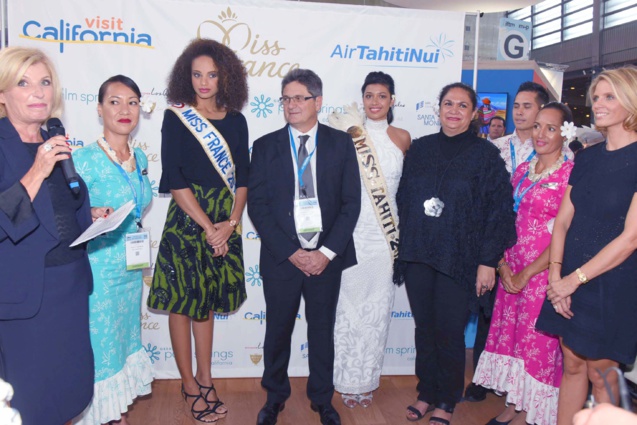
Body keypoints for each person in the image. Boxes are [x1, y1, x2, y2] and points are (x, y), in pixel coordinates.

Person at [396, 82, 516, 425]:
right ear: (438, 108)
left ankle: (446, 400)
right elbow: (405, 199)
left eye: (462, 106)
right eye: (448, 103)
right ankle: (426, 392)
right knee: (425, 330)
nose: (453, 111)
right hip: (419, 253)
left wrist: (486, 261)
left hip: (460, 259)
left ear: (474, 113)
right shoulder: (419, 149)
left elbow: (499, 211)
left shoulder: (486, 155)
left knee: (449, 332)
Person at [248, 69, 360, 425]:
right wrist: (292, 252)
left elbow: (350, 204)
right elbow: (258, 206)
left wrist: (325, 254)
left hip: (326, 258)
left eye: (299, 98)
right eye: (286, 98)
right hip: (282, 258)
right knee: (278, 330)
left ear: (318, 102)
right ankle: (275, 397)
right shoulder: (265, 146)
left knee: (321, 329)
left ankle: (322, 400)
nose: (292, 105)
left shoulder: (341, 144)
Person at [147, 38, 249, 423]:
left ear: (225, 77)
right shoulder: (177, 116)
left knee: (204, 303)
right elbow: (173, 177)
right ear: (185, 77)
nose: (204, 82)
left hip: (226, 219)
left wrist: (231, 224)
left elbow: (243, 177)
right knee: (182, 302)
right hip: (189, 219)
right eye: (196, 74)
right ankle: (189, 383)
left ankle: (207, 379)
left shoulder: (237, 120)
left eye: (211, 74)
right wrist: (209, 227)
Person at [536, 67, 637, 425]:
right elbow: (563, 221)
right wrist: (555, 276)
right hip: (571, 276)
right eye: (596, 96)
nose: (598, 103)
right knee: (573, 364)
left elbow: (630, 238)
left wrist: (571, 280)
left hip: (614, 282)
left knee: (602, 373)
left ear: (631, 100)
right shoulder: (587, 157)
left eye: (610, 96)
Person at [0, 47, 94, 424]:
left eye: (45, 82)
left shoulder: (54, 138)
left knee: (69, 392)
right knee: (31, 403)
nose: (38, 92)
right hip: (25, 300)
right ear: (3, 94)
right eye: (24, 83)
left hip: (69, 287)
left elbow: (61, 205)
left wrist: (90, 214)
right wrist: (38, 169)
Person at [473, 102, 575, 425]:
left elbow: (566, 232)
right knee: (515, 340)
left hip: (543, 271)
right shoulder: (521, 170)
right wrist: (504, 266)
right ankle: (515, 405)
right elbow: (506, 219)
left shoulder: (570, 175)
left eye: (551, 128)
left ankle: (532, 412)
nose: (541, 134)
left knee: (538, 345)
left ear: (566, 134)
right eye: (537, 126)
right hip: (512, 271)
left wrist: (527, 273)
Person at [72, 75, 154, 425]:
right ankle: (98, 416)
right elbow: (63, 215)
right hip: (98, 272)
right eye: (115, 101)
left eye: (132, 102)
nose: (125, 109)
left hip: (130, 269)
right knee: (101, 349)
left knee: (122, 343)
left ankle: (115, 414)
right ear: (99, 108)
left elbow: (138, 205)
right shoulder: (82, 159)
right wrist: (87, 213)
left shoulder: (139, 156)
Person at [329, 71, 410, 409]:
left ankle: (366, 380)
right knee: (347, 311)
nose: (375, 102)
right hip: (352, 233)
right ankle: (344, 380)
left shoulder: (403, 138)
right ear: (362, 99)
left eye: (382, 96)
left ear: (392, 100)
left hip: (385, 238)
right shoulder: (348, 133)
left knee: (377, 311)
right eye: (370, 95)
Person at [491, 82, 550, 175]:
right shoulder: (494, 147)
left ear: (542, 111)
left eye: (527, 107)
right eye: (516, 106)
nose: (519, 112)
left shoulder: (553, 152)